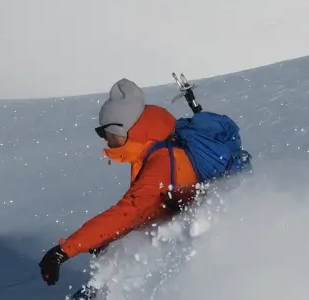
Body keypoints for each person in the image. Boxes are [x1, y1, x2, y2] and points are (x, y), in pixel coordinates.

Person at [39, 79, 201, 286]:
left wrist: (64, 251)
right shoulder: (159, 145)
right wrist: (107, 237)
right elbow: (152, 206)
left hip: (187, 249)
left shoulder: (162, 161)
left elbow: (129, 212)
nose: (105, 140)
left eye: (104, 132)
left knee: (104, 290)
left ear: (121, 130)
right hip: (179, 234)